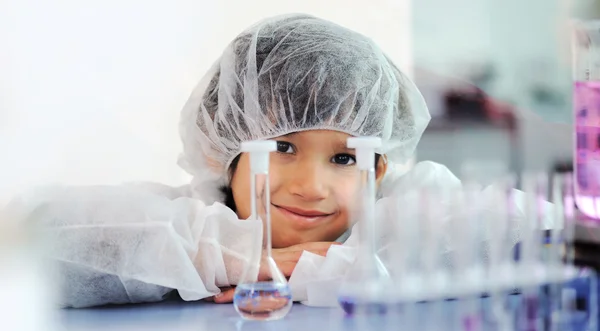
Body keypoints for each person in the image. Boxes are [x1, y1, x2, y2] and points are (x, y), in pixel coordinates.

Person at [10, 14, 547, 308]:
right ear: (221, 150)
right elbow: (34, 237)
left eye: (344, 157)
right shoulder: (191, 219)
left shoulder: (406, 206)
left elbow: (534, 227)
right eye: (282, 148)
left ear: (379, 170)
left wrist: (329, 265)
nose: (312, 187)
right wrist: (240, 257)